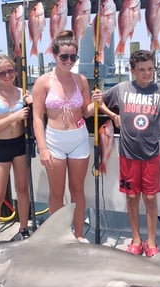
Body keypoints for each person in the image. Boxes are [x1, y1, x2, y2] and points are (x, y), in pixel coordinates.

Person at [100, 49, 160, 256]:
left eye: (150, 69)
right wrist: (110, 114)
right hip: (127, 155)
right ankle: (136, 239)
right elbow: (99, 103)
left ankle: (151, 241)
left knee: (151, 198)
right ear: (132, 70)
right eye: (142, 69)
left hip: (151, 156)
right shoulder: (121, 88)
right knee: (132, 197)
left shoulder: (159, 91)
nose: (147, 73)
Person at [32, 30, 102, 242]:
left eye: (73, 57)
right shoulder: (43, 82)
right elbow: (37, 118)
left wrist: (96, 102)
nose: (69, 61)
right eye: (64, 56)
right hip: (54, 140)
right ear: (55, 56)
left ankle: (79, 234)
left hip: (78, 138)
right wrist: (43, 148)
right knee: (56, 192)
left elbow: (86, 111)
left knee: (78, 190)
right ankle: (58, 237)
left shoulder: (81, 80)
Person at [0, 54, 32, 248]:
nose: (7, 75)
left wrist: (32, 102)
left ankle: (24, 229)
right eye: (2, 72)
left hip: (19, 144)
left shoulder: (23, 91)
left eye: (10, 71)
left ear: (16, 72)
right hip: (0, 147)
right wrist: (13, 117)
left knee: (23, 189)